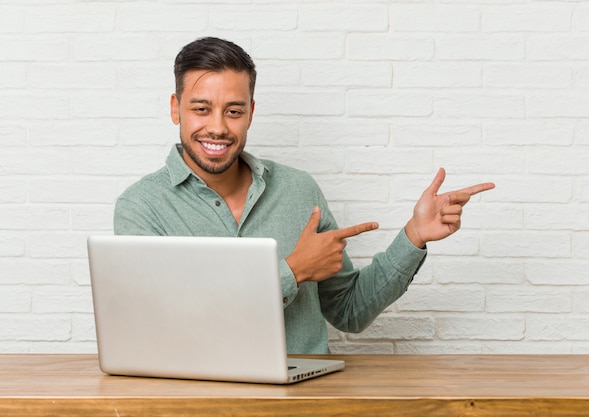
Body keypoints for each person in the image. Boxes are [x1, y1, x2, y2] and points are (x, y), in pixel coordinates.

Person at [114, 36, 495, 354]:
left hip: (307, 401)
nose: (217, 127)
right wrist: (293, 271)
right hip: (197, 403)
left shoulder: (298, 190)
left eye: (233, 111)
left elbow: (349, 312)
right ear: (175, 109)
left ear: (250, 113)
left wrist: (413, 236)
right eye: (201, 108)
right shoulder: (142, 208)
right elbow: (169, 326)